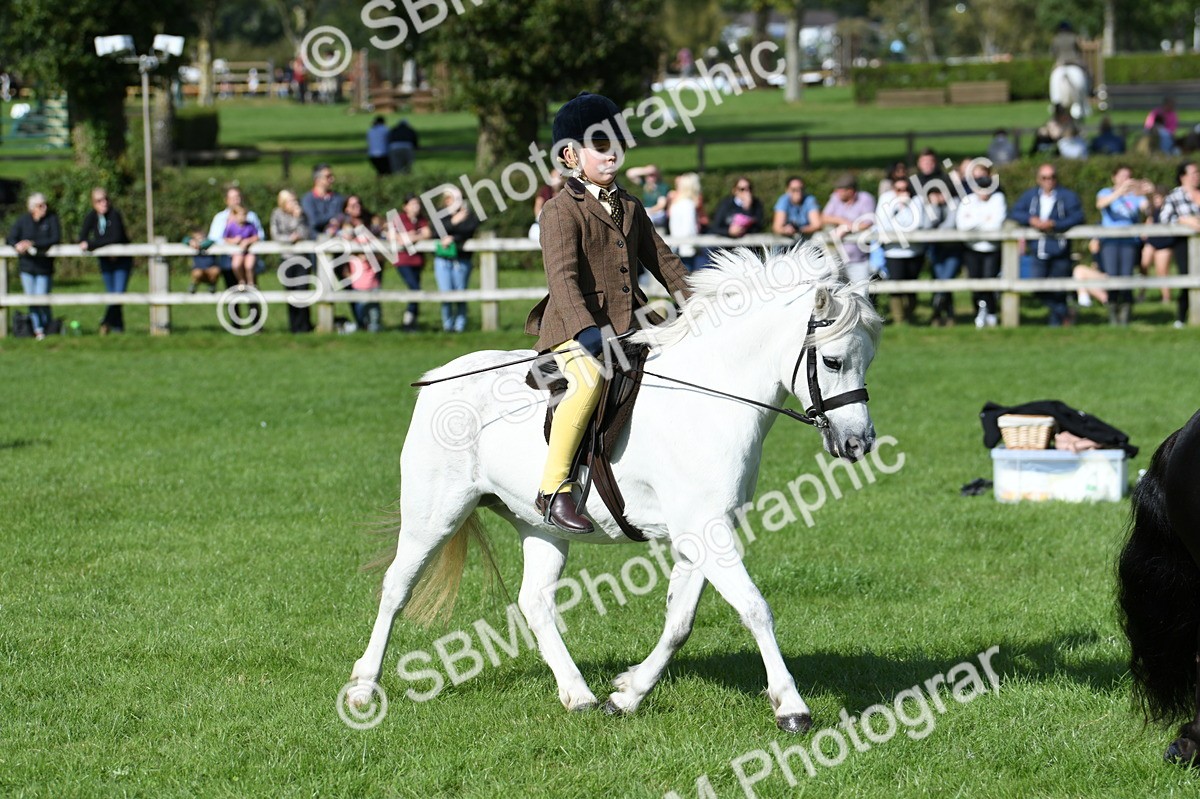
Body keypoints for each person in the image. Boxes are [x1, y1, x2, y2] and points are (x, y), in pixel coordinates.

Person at [524, 91, 691, 533]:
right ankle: (554, 488)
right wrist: (584, 330)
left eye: (617, 141)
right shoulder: (559, 211)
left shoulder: (632, 205)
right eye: (600, 144)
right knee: (589, 380)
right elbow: (561, 281)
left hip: (630, 324)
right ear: (570, 155)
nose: (612, 152)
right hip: (573, 328)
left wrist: (702, 305)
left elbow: (666, 263)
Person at [1009, 164, 1085, 326]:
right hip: (1038, 249)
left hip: (1059, 249)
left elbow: (1077, 216)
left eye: (1051, 177)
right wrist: (1031, 220)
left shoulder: (1067, 196)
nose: (1048, 181)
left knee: (1059, 289)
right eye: (1044, 178)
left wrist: (1055, 224)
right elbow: (1015, 212)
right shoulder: (1030, 196)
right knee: (1037, 286)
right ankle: (1065, 313)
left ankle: (1056, 324)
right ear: (1038, 179)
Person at [1096, 165, 1150, 325]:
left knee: (1127, 277)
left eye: (1128, 176)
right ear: (1114, 177)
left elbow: (1148, 210)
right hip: (1110, 241)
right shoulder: (1105, 192)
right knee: (1112, 276)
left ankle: (1125, 317)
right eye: (1122, 176)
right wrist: (1120, 191)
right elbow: (1100, 205)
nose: (1126, 180)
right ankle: (1113, 315)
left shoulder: (1136, 196)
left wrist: (1150, 193)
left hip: (1129, 242)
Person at [6, 192, 60, 340]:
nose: (44, 207)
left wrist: (32, 243)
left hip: (44, 268)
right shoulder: (23, 220)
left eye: (45, 204)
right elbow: (10, 237)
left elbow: (54, 238)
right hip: (27, 267)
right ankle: (39, 329)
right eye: (40, 205)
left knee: (41, 298)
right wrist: (17, 245)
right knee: (31, 299)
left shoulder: (51, 219)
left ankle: (48, 325)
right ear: (32, 208)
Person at [78, 187, 131, 335]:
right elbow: (82, 236)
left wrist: (92, 244)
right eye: (99, 201)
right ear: (93, 203)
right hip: (106, 262)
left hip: (122, 261)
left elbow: (116, 237)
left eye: (105, 199)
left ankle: (106, 322)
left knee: (118, 294)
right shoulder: (92, 216)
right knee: (112, 295)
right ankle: (118, 328)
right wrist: (86, 242)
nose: (104, 203)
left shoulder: (115, 215)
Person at [956, 176, 1007, 328]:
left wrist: (974, 219)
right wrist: (985, 219)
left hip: (992, 249)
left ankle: (991, 313)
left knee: (989, 282)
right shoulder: (968, 200)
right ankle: (979, 312)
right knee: (975, 282)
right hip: (972, 249)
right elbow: (962, 225)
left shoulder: (998, 198)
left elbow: (996, 225)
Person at [875, 177, 928, 324]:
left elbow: (918, 224)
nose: (903, 193)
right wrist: (899, 211)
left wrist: (900, 222)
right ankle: (899, 319)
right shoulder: (887, 202)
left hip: (914, 251)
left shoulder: (916, 202)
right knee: (896, 286)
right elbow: (883, 226)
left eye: (906, 189)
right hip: (893, 252)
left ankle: (910, 315)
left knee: (912, 286)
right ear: (894, 190)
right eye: (899, 190)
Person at [432, 187, 479, 333]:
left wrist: (453, 236)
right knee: (446, 294)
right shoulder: (440, 215)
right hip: (443, 260)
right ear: (446, 200)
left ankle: (460, 326)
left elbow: (469, 230)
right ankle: (447, 325)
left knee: (460, 294)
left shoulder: (467, 215)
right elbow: (434, 231)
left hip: (462, 260)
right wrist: (453, 222)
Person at [1160, 161, 1200, 329]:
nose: (1196, 176)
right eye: (1192, 173)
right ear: (1182, 176)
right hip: (1184, 244)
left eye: (1197, 172)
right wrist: (1184, 220)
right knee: (1187, 277)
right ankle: (1182, 317)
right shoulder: (1175, 196)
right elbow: (1164, 219)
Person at [269, 189, 314, 333]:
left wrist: (297, 218)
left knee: (303, 292)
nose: (294, 203)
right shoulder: (277, 214)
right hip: (286, 259)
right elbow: (275, 235)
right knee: (290, 293)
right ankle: (294, 326)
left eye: (295, 200)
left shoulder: (302, 214)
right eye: (291, 201)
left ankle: (305, 326)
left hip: (303, 258)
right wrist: (289, 239)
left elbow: (306, 233)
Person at [822, 172, 876, 290]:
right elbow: (824, 218)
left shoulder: (865, 199)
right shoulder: (835, 198)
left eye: (841, 189)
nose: (837, 192)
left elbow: (868, 223)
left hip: (859, 260)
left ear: (851, 191)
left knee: (861, 295)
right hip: (836, 260)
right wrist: (842, 221)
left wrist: (848, 228)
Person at [206, 187, 266, 289]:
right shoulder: (220, 218)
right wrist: (232, 242)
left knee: (252, 291)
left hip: (248, 259)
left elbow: (260, 235)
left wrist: (247, 241)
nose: (236, 200)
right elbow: (214, 238)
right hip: (227, 262)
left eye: (237, 197)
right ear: (227, 200)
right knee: (232, 294)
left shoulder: (251, 216)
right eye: (233, 198)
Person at [389, 193, 432, 331]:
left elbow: (427, 234)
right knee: (415, 289)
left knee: (416, 289)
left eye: (417, 204)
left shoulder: (421, 220)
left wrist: (412, 236)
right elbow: (394, 236)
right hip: (403, 260)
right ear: (405, 206)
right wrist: (414, 236)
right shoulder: (399, 219)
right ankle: (408, 321)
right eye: (413, 204)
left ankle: (412, 321)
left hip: (417, 261)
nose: (416, 207)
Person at [925, 186, 961, 326]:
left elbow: (950, 225)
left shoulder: (955, 202)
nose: (939, 196)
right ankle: (949, 315)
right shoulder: (929, 206)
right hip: (936, 250)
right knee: (942, 282)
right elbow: (927, 225)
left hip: (953, 249)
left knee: (944, 281)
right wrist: (934, 206)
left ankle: (936, 312)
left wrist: (935, 233)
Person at [1142, 185, 1175, 305]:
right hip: (1152, 241)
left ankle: (1166, 298)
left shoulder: (1169, 210)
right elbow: (1149, 220)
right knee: (1144, 266)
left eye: (1159, 198)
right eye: (1155, 198)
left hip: (1164, 242)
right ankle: (1142, 293)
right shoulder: (1152, 210)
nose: (1157, 201)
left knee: (1161, 271)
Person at [667, 172, 702, 271]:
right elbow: (689, 228)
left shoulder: (678, 203)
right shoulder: (688, 204)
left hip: (677, 246)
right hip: (686, 248)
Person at [301, 164, 344, 239]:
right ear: (317, 179)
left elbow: (340, 217)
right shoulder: (308, 199)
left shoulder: (337, 198)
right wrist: (332, 216)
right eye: (328, 176)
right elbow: (314, 221)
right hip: (313, 242)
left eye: (332, 176)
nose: (332, 179)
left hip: (336, 240)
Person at [772, 176, 822, 240]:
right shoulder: (783, 200)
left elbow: (817, 225)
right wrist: (785, 230)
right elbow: (777, 227)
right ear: (787, 190)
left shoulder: (810, 200)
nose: (798, 192)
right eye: (794, 189)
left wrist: (799, 230)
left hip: (806, 240)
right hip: (785, 240)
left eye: (801, 189)